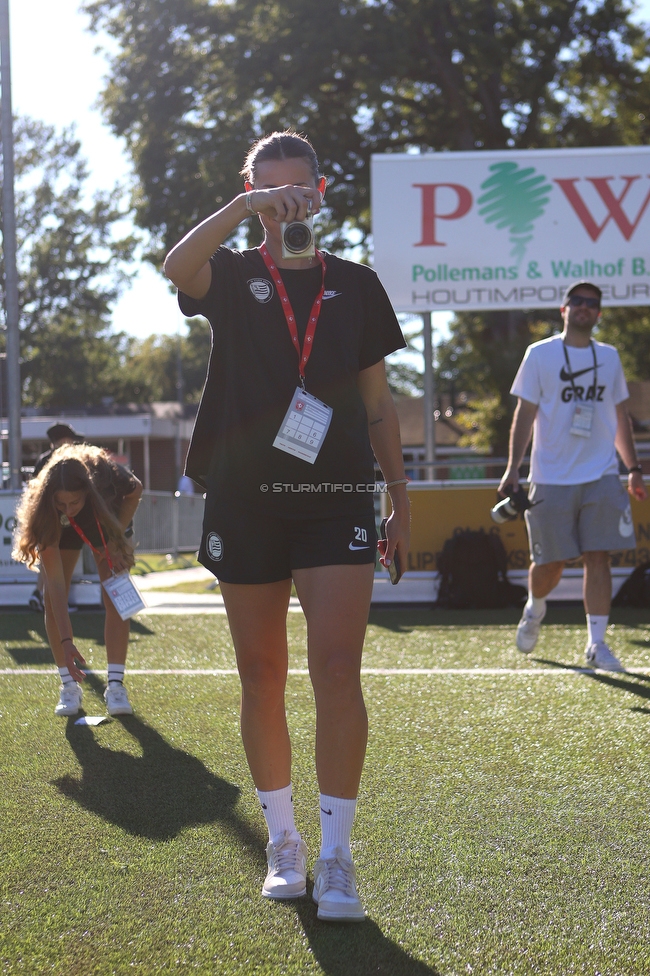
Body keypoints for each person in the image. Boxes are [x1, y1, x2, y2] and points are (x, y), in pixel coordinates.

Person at [163, 131, 410, 921]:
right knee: (261, 674)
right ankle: (284, 841)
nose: (287, 203)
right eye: (271, 192)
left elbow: (377, 404)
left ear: (323, 188)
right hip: (245, 498)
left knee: (338, 669)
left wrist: (401, 498)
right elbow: (176, 267)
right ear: (254, 195)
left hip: (338, 493)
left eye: (298, 189)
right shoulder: (232, 274)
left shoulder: (358, 284)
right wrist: (243, 208)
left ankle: (336, 855)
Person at [499, 281, 647, 671]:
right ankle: (535, 607)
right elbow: (524, 415)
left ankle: (597, 644)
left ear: (599, 314)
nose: (584, 307)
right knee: (551, 564)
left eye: (592, 303)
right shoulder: (540, 354)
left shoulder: (610, 357)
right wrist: (513, 467)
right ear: (563, 310)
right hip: (550, 477)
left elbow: (619, 418)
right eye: (576, 301)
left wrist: (632, 468)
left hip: (600, 474)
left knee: (599, 558)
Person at [13, 444, 143, 716]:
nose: (69, 508)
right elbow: (58, 588)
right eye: (62, 503)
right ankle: (69, 685)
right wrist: (66, 641)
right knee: (51, 598)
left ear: (86, 491)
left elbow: (136, 490)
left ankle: (116, 685)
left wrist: (117, 537)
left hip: (104, 517)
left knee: (116, 592)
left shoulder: (107, 476)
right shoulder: (47, 509)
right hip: (61, 528)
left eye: (73, 502)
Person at [30, 423, 86, 612]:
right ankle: (52, 602)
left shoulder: (42, 461)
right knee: (56, 563)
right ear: (62, 440)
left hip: (48, 521)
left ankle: (42, 596)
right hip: (57, 521)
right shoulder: (66, 461)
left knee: (51, 561)